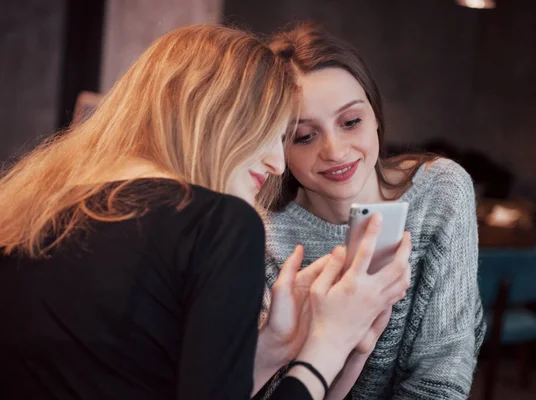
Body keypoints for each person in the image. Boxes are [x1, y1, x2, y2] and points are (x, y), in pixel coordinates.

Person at [0, 25, 411, 400]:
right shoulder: (219, 223)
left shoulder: (31, 212)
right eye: (278, 131)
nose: (277, 164)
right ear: (219, 117)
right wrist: (329, 343)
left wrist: (269, 348)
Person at [257, 22, 486, 399]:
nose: (334, 150)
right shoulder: (261, 228)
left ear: (376, 117)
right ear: (278, 146)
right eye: (304, 136)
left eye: (351, 122)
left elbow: (440, 378)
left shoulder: (441, 193)